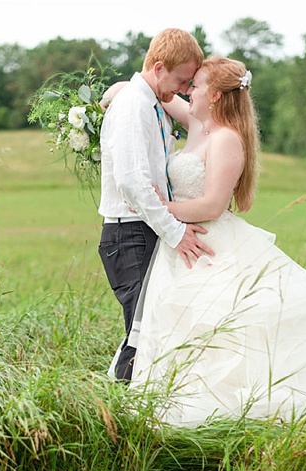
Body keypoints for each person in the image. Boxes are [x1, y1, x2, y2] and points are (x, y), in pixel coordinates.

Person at [108, 56, 306, 426]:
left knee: (224, 325)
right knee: (181, 323)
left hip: (209, 238)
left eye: (198, 85)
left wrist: (161, 207)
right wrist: (117, 91)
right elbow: (150, 93)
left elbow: (213, 204)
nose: (189, 89)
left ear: (218, 97)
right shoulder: (195, 121)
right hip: (179, 241)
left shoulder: (227, 140)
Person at [98, 28, 214, 382]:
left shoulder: (149, 102)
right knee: (141, 334)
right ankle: (121, 410)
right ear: (160, 67)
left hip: (143, 229)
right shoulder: (134, 105)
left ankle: (134, 409)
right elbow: (131, 182)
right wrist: (176, 233)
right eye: (181, 80)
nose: (182, 89)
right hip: (130, 234)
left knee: (150, 330)